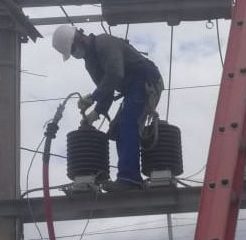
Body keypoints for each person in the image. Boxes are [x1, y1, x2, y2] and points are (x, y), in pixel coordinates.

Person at [52, 25, 164, 189]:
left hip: (146, 81)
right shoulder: (90, 63)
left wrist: (92, 97)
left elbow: (115, 73)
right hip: (131, 89)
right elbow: (107, 90)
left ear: (78, 38)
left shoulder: (104, 42)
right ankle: (128, 177)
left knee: (128, 123)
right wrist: (96, 112)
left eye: (73, 49)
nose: (75, 54)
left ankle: (129, 179)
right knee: (117, 128)